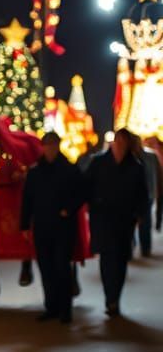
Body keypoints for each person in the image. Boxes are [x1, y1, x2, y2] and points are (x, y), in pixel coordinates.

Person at [20, 132, 85, 323]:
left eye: (53, 145)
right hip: (42, 226)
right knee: (46, 268)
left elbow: (82, 192)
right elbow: (27, 200)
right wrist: (24, 225)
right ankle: (51, 307)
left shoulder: (69, 169)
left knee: (62, 268)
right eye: (46, 145)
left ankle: (65, 310)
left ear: (58, 146)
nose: (49, 149)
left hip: (63, 227)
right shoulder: (35, 172)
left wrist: (69, 209)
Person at [84, 128, 149, 317]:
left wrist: (139, 215)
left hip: (124, 222)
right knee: (106, 260)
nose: (119, 146)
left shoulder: (136, 167)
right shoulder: (98, 163)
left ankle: (115, 298)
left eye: (123, 143)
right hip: (102, 219)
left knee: (120, 261)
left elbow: (142, 195)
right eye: (117, 142)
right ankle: (110, 298)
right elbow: (86, 186)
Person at [130, 134, 161, 257]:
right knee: (131, 221)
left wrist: (157, 190)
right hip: (133, 194)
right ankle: (131, 246)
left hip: (148, 193)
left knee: (145, 221)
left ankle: (145, 247)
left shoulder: (151, 156)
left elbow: (157, 174)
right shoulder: (130, 157)